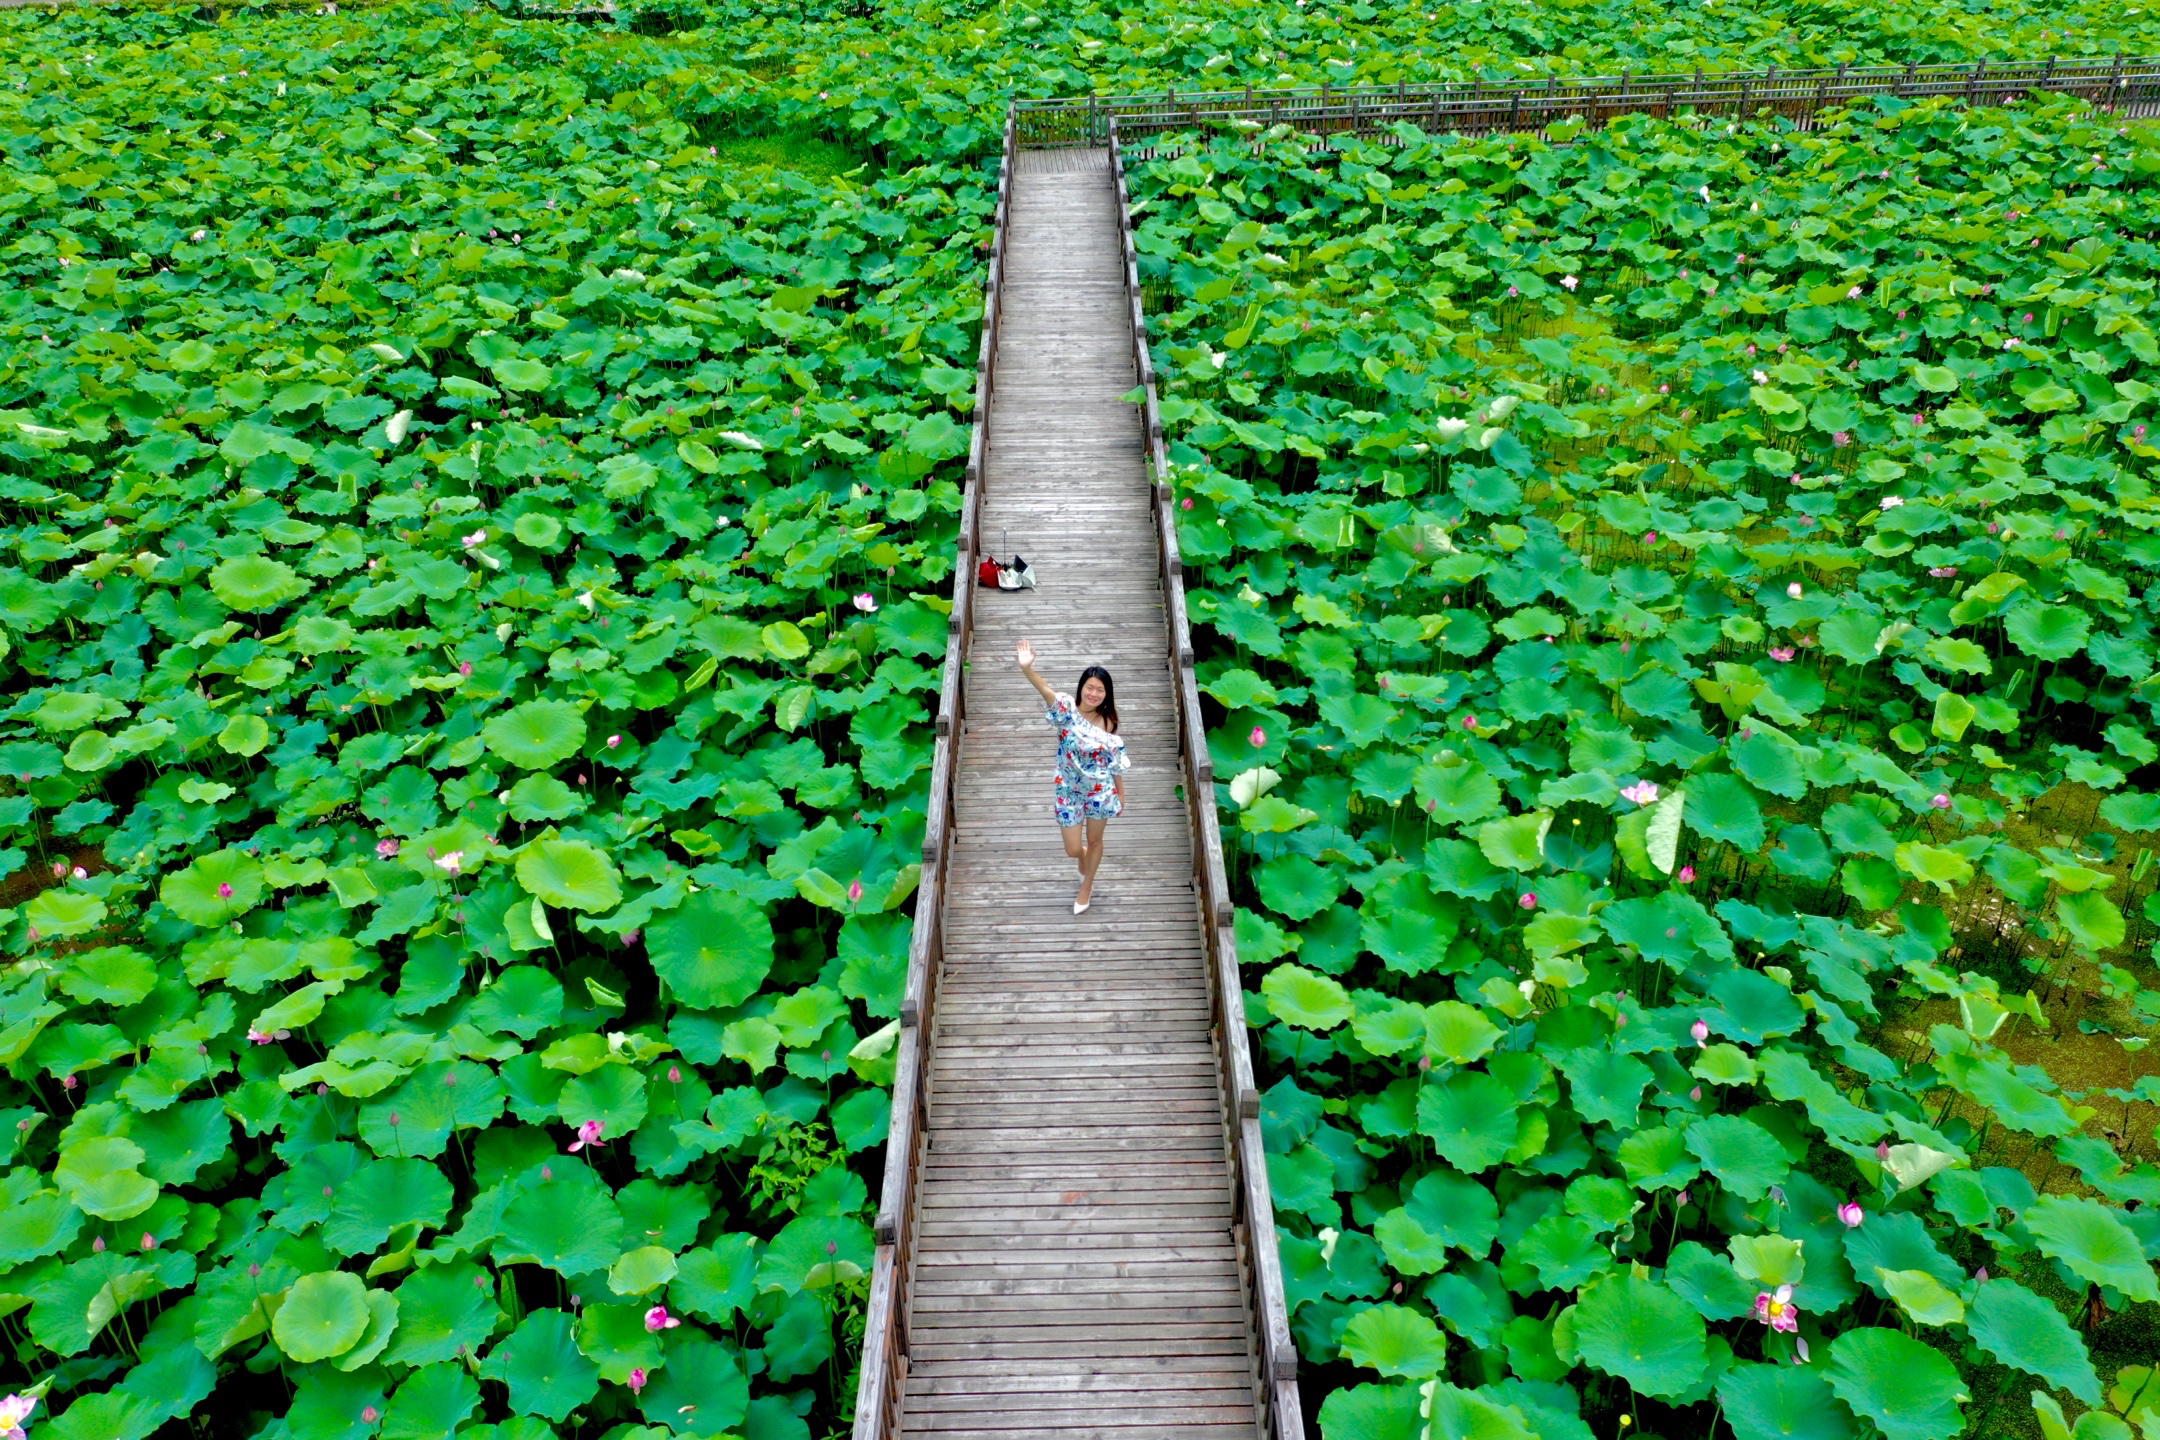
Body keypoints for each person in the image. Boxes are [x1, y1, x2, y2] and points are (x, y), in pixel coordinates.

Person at [1016, 640, 1129, 915]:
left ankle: (1087, 885)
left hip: (1100, 790)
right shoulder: (1066, 709)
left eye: (1100, 690)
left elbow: (1112, 760)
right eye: (1089, 687)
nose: (1093, 693)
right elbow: (1044, 690)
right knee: (1071, 848)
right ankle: (1082, 860)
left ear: (1107, 694)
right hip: (1068, 789)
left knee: (1095, 841)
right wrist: (1028, 669)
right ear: (1081, 688)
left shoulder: (1109, 722)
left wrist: (1121, 795)